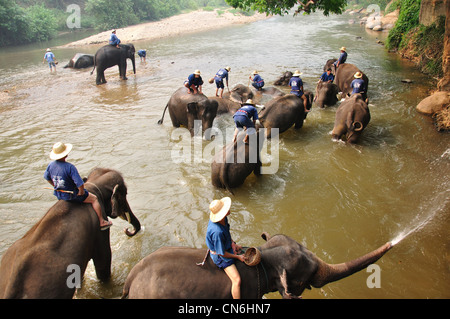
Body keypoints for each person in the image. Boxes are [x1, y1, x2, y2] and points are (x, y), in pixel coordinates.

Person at [44, 142, 112, 230]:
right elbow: (80, 184)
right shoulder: (69, 167)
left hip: (59, 194)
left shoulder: (50, 165)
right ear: (66, 155)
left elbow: (47, 177)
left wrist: (54, 185)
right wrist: (81, 192)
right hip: (72, 195)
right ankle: (102, 221)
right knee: (94, 199)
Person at [205, 197, 245, 299]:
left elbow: (227, 232)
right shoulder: (217, 232)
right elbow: (221, 253)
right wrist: (238, 257)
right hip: (220, 255)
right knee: (237, 280)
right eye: (225, 209)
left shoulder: (224, 219)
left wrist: (233, 243)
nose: (229, 209)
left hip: (225, 245)